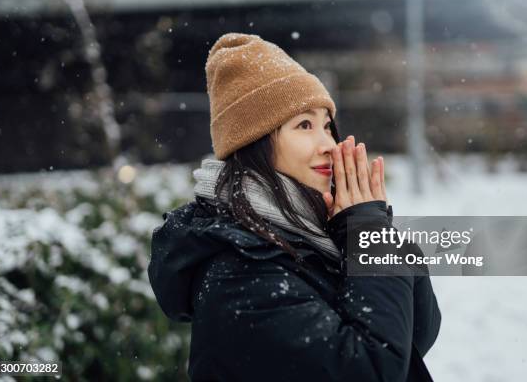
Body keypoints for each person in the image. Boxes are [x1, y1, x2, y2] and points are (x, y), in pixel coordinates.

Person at [148, 32, 441, 381]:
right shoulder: (240, 274)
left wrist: (366, 232)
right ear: (253, 143)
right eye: (304, 125)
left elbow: (415, 335)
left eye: (327, 125)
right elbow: (371, 370)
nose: (329, 144)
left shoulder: (309, 232)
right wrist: (370, 236)